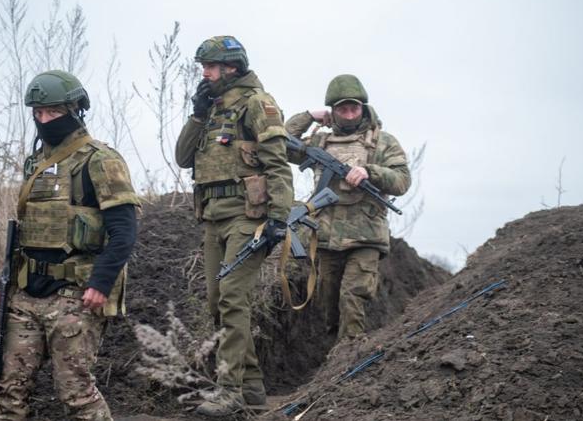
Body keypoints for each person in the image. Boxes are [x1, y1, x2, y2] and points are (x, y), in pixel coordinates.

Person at [0, 70, 140, 421]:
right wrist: (5, 278)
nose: (44, 120)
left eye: (53, 113)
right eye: (38, 113)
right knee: (8, 389)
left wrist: (100, 283)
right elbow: (26, 230)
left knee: (75, 392)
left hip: (74, 295)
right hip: (25, 293)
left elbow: (124, 230)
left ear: (75, 110)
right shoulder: (36, 163)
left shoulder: (100, 160)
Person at [175, 36, 293, 417]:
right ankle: (254, 389)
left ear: (232, 68)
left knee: (230, 297)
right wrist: (196, 114)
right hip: (212, 217)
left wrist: (279, 216)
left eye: (210, 67)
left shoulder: (258, 103)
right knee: (217, 303)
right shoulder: (210, 109)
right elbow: (182, 157)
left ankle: (229, 391)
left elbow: (277, 164)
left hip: (248, 216)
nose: (205, 74)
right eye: (203, 68)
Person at [285, 74, 411, 340]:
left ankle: (351, 353)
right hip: (327, 236)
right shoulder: (320, 142)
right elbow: (280, 143)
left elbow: (401, 182)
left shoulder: (383, 142)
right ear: (333, 112)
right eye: (343, 109)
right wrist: (308, 116)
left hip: (366, 235)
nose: (350, 114)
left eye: (355, 108)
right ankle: (335, 360)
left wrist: (370, 172)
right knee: (328, 304)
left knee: (352, 297)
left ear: (363, 108)